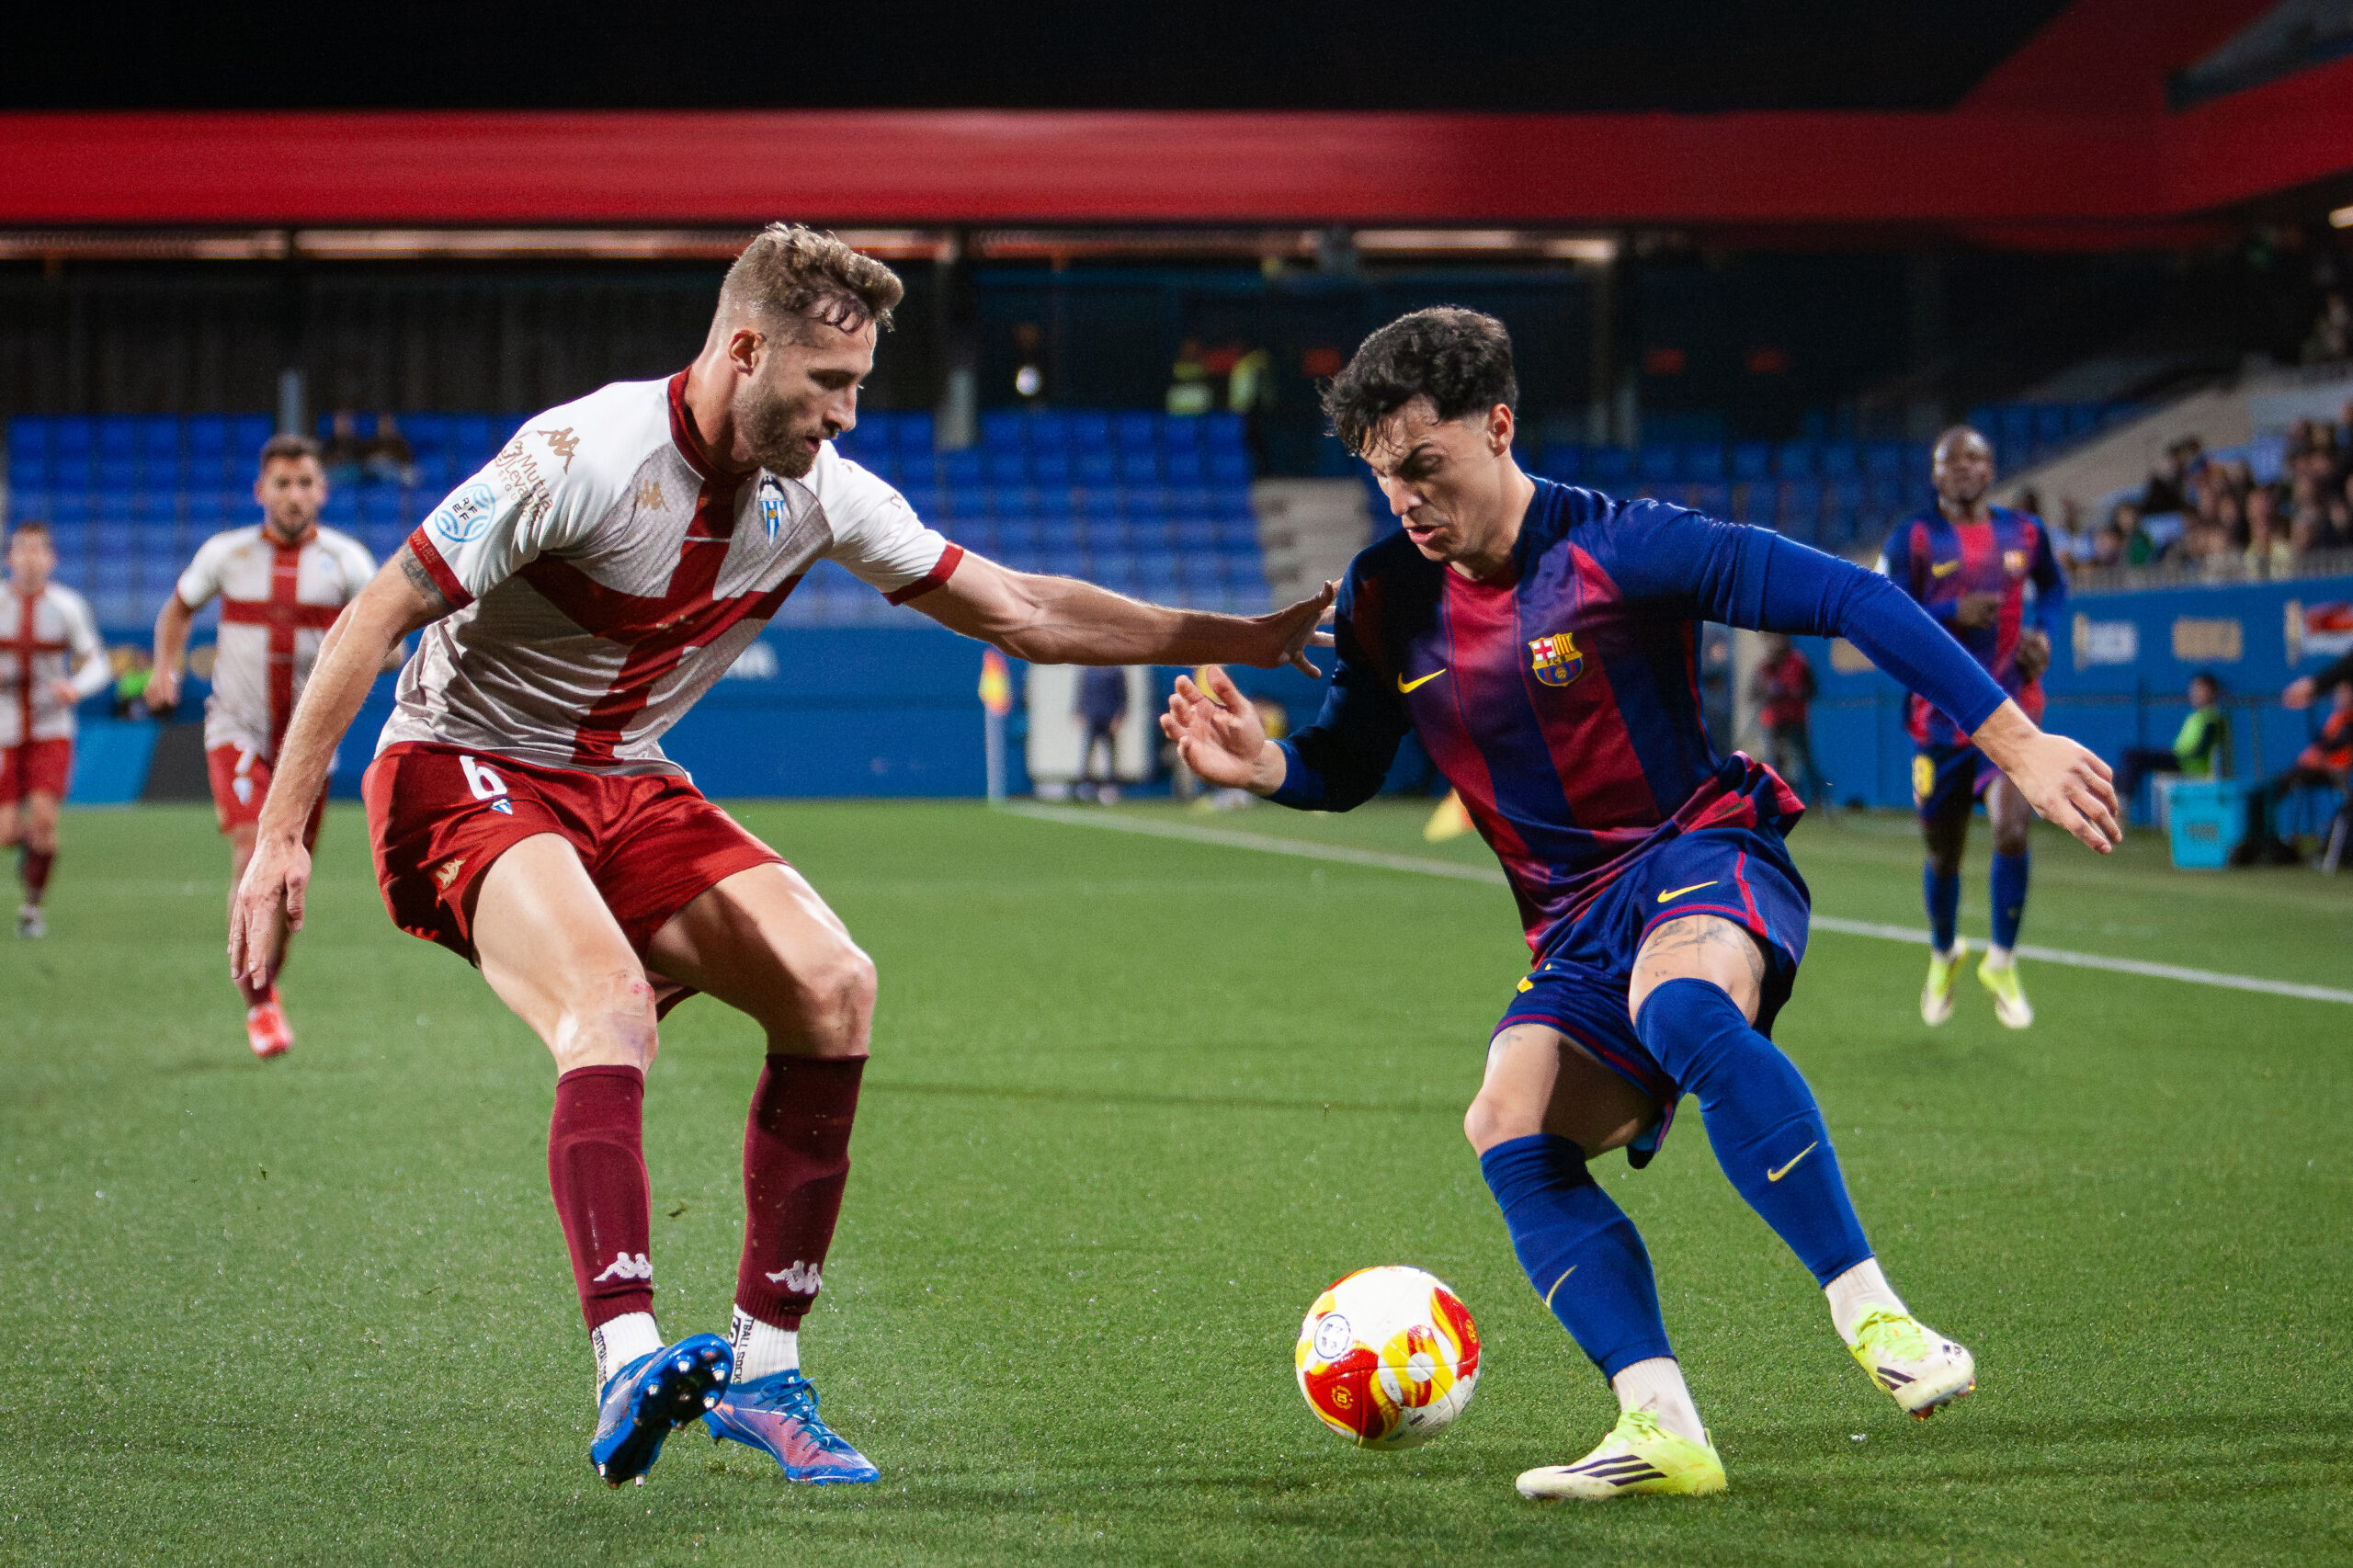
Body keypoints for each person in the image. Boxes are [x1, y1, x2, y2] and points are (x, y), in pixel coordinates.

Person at [227, 224, 1334, 1492]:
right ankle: (626, 1354)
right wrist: (279, 839)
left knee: (833, 982)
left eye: (857, 388)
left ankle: (763, 1370)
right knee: (608, 1001)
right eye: (828, 384)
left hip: (624, 776)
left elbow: (1022, 610)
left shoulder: (822, 493)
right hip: (459, 760)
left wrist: (1229, 634)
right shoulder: (580, 454)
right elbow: (377, 610)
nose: (844, 417)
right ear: (745, 349)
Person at [1163, 307, 2118, 1502]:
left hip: (1698, 851)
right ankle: (1660, 1422)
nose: (1403, 498)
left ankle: (1878, 1318)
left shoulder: (1627, 546)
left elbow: (1852, 601)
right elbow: (1349, 761)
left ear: (1498, 426)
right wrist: (1265, 769)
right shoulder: (1384, 593)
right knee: (1506, 1121)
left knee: (1679, 1004)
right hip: (1568, 923)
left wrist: (2014, 741)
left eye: (1424, 466)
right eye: (1380, 474)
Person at [148, 433, 384, 1060]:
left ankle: (267, 987)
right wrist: (163, 669)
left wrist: (379, 654)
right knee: (253, 849)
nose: (293, 495)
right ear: (261, 492)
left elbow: (390, 641)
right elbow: (177, 610)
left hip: (309, 745)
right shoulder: (227, 554)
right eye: (281, 484)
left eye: (305, 483)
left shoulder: (347, 561)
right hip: (237, 728)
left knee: (287, 879)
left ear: (322, 492)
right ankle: (258, 1002)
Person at [1881, 427, 2067, 1030]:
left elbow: (2055, 588)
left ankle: (2003, 959)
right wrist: (1948, 613)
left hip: (2010, 710)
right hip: (1938, 721)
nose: (1963, 468)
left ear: (1992, 470)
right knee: (1944, 852)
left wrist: (2043, 636)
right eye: (1950, 460)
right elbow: (1883, 609)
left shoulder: (2025, 532)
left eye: (1976, 458)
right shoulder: (1913, 536)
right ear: (1934, 475)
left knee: (2012, 829)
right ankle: (1943, 952)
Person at [0, 522, 111, 937]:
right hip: (5, 728)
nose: (29, 559)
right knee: (7, 832)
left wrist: (75, 687)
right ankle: (25, 848)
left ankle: (31, 909)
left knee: (45, 825)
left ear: (51, 560)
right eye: (21, 550)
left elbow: (97, 662)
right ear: (9, 558)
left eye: (37, 551)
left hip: (50, 728)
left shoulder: (67, 605)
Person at [2237, 678, 2353, 865]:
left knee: (2281, 787)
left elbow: (2335, 744)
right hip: (2310, 770)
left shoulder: (2349, 720)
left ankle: (2273, 847)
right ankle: (2264, 843)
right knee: (2268, 790)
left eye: (2345, 693)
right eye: (2339, 693)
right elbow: (2322, 742)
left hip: (2332, 774)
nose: (2341, 697)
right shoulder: (2336, 718)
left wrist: (2321, 751)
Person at [2112, 673, 2228, 818]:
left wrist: (2176, 754)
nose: (2194, 694)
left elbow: (2200, 750)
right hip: (2180, 758)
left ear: (2212, 692)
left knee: (2133, 756)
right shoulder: (2196, 716)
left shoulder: (2212, 718)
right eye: (2193, 689)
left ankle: (2120, 805)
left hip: (2188, 763)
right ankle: (2116, 802)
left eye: (2200, 690)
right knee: (2129, 756)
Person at [1748, 634, 1820, 806]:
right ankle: (1778, 801)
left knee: (1803, 758)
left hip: (1795, 718)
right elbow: (1752, 694)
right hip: (1773, 720)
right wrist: (1768, 693)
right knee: (1773, 761)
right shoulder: (1764, 666)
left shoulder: (1799, 662)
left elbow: (1812, 689)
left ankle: (1817, 799)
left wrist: (1796, 692)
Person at [1072, 664, 1128, 803]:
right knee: (1087, 753)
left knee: (1111, 755)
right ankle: (1085, 786)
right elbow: (1081, 693)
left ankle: (1110, 787)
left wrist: (1119, 717)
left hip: (1108, 717)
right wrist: (1078, 712)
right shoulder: (1088, 670)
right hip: (1092, 716)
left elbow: (1123, 697)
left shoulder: (1116, 671)